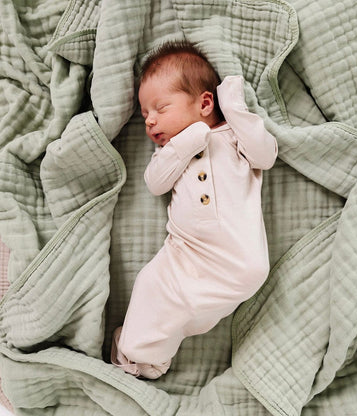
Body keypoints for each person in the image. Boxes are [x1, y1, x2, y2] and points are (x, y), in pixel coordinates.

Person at [111, 40, 278, 379]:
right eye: (145, 115)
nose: (150, 121)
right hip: (185, 252)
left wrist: (235, 109)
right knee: (151, 285)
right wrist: (186, 142)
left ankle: (135, 351)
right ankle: (146, 354)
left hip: (238, 257)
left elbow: (266, 155)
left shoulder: (232, 137)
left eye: (160, 108)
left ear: (204, 103)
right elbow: (155, 183)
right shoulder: (172, 151)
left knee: (181, 303)